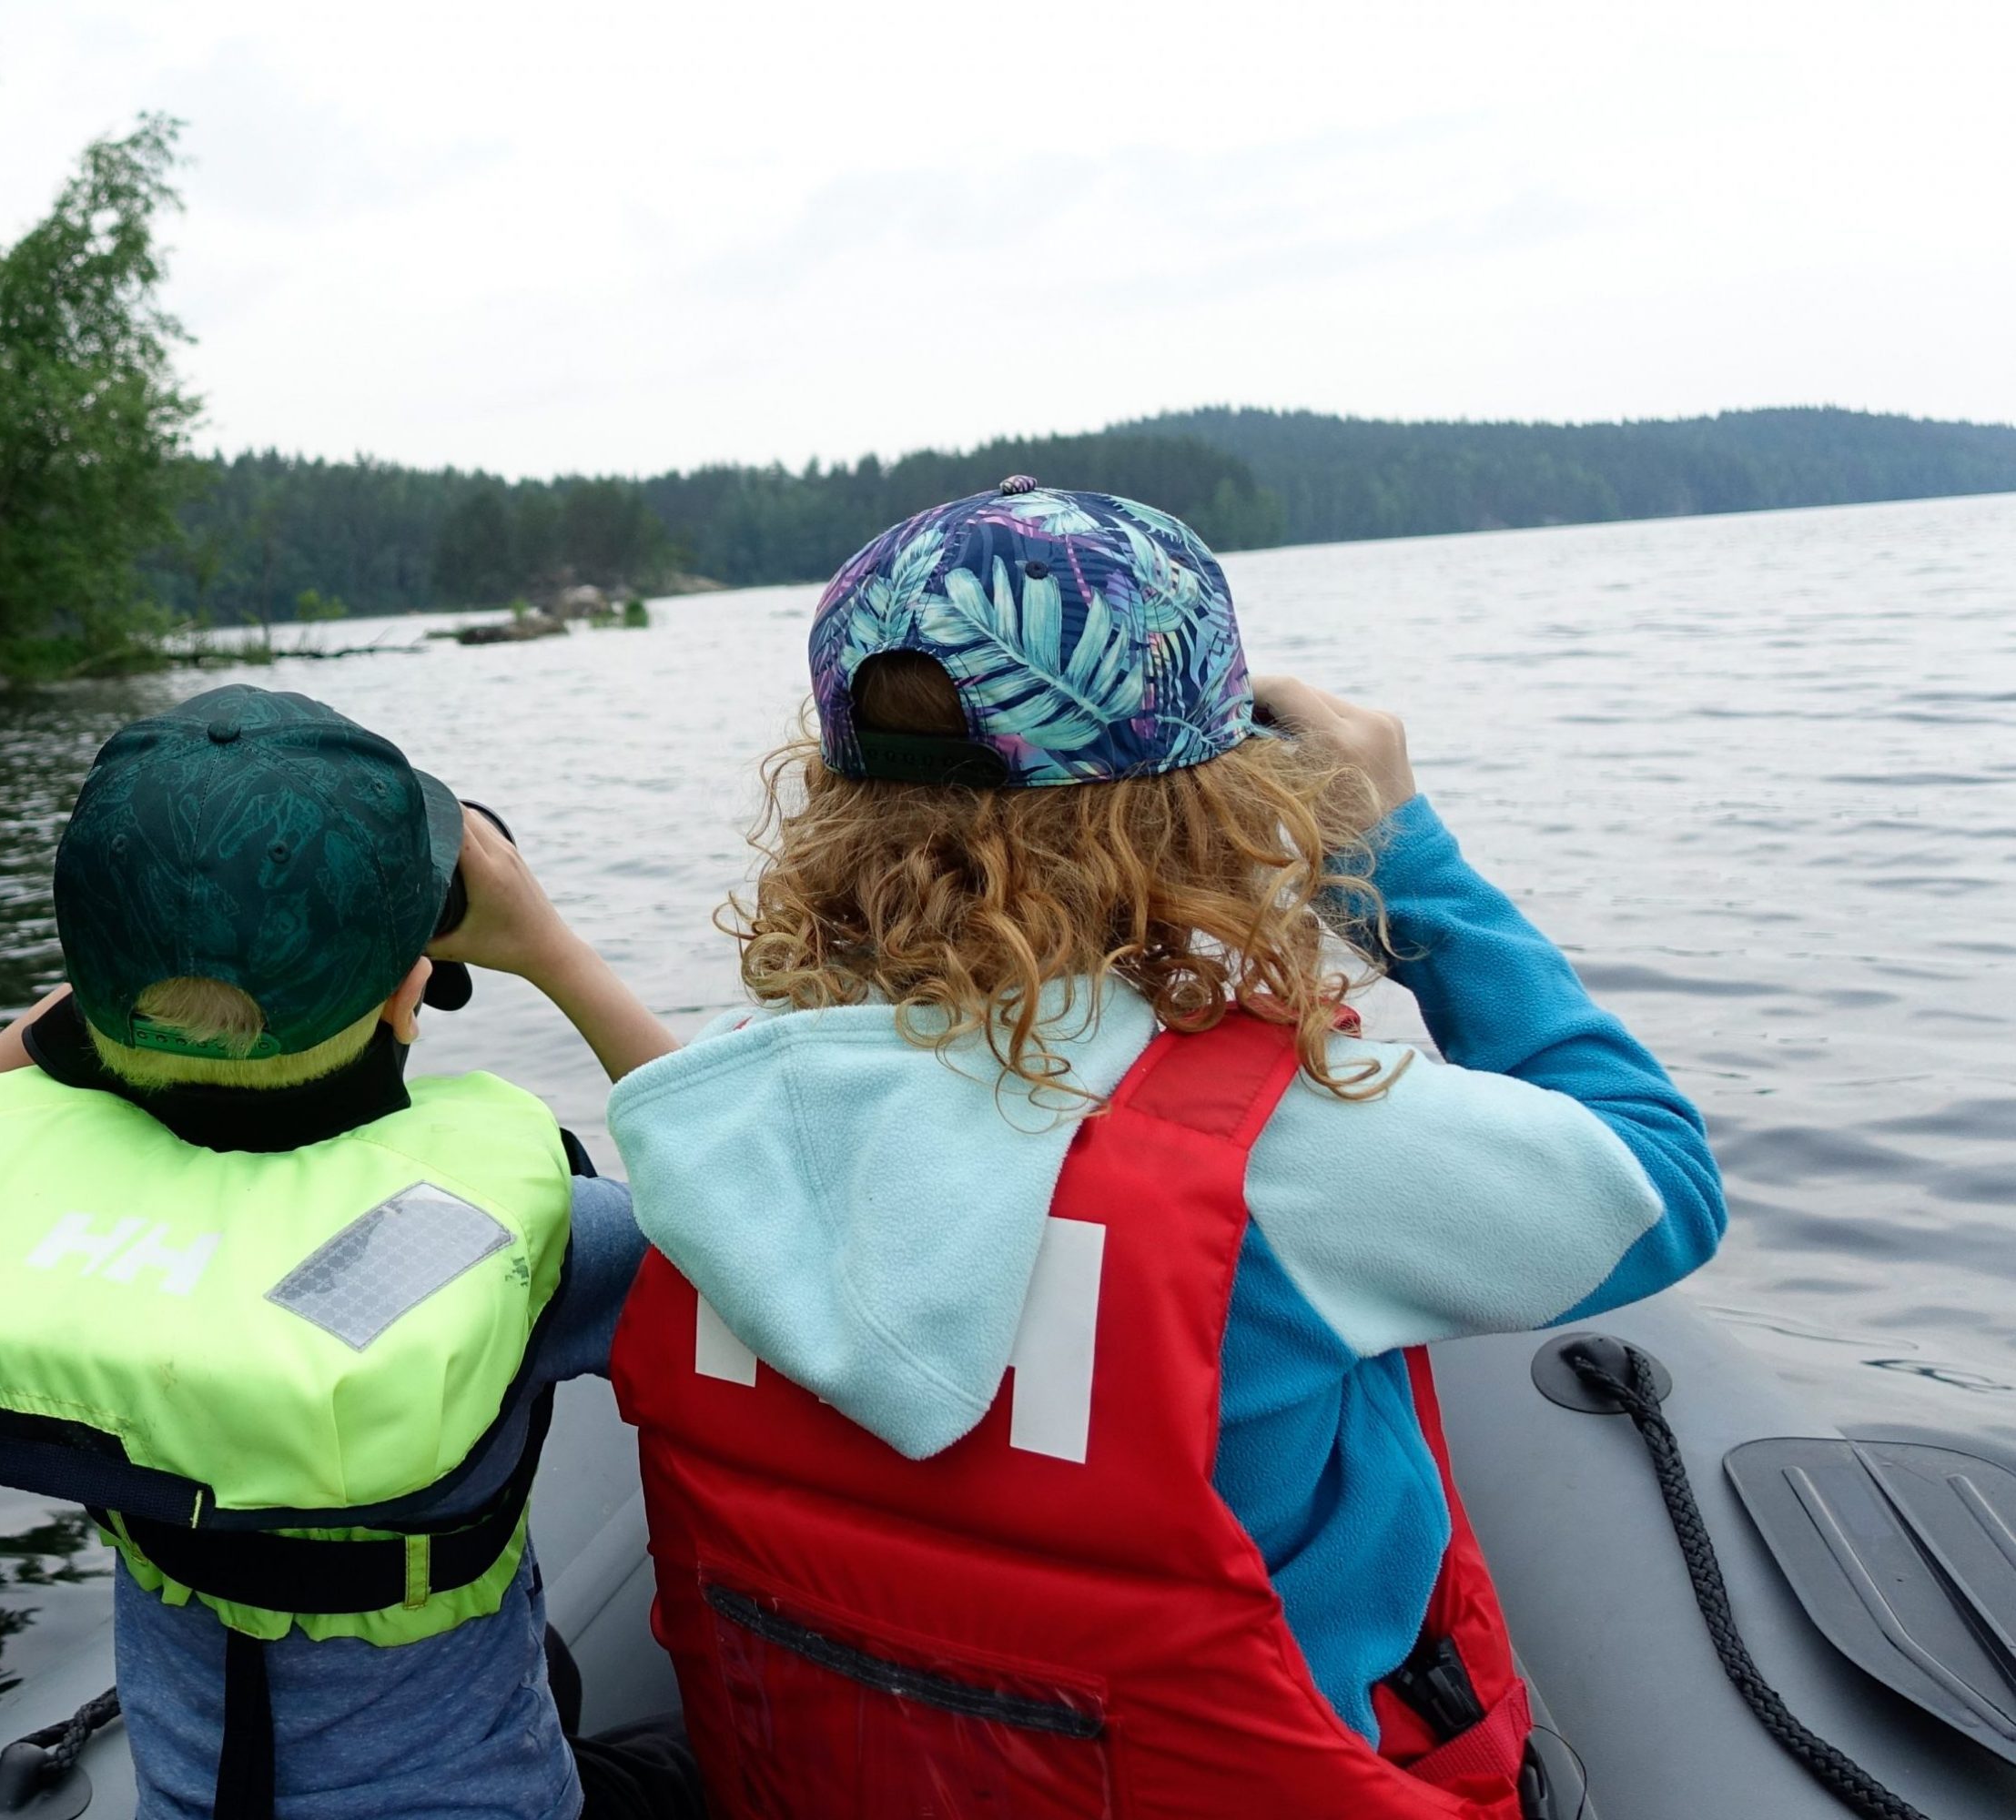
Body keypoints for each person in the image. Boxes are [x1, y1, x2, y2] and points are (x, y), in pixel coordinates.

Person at [603, 479, 1727, 1818]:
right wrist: (1403, 854)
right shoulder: (1298, 1151)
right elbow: (1659, 1177)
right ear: (1210, 796)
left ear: (837, 795)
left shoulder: (725, 1119)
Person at [0, 683, 700, 1820]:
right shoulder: (535, 1233)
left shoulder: (20, 1205)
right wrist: (550, 948)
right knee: (700, 1764)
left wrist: (160, 948)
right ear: (412, 995)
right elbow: (762, 1238)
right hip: (484, 1797)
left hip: (186, 1795)